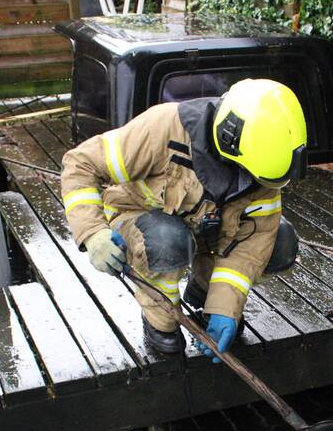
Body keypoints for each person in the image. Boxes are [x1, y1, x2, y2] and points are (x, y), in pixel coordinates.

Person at [59, 79, 306, 360]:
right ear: (230, 140)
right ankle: (161, 319)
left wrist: (225, 310)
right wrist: (93, 233)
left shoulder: (266, 168)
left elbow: (251, 246)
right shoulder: (163, 127)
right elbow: (81, 164)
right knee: (168, 241)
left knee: (280, 242)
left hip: (207, 231)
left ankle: (203, 293)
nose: (254, 183)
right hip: (139, 219)